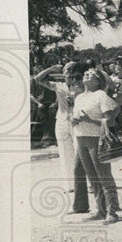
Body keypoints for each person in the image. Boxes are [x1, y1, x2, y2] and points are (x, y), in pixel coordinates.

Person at [33, 62, 90, 212]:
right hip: (62, 120)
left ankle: (88, 183)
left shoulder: (82, 86)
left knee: (80, 153)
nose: (68, 74)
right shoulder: (58, 85)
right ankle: (70, 184)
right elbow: (38, 79)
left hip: (77, 122)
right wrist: (51, 68)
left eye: (71, 71)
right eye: (66, 71)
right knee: (65, 153)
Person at [70, 68, 122, 224]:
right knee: (93, 178)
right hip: (81, 138)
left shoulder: (101, 95)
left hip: (96, 139)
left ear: (99, 81)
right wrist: (74, 121)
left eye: (91, 74)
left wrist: (90, 120)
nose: (87, 74)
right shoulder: (79, 97)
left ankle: (112, 212)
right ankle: (101, 211)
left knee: (104, 176)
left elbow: (110, 120)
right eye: (86, 73)